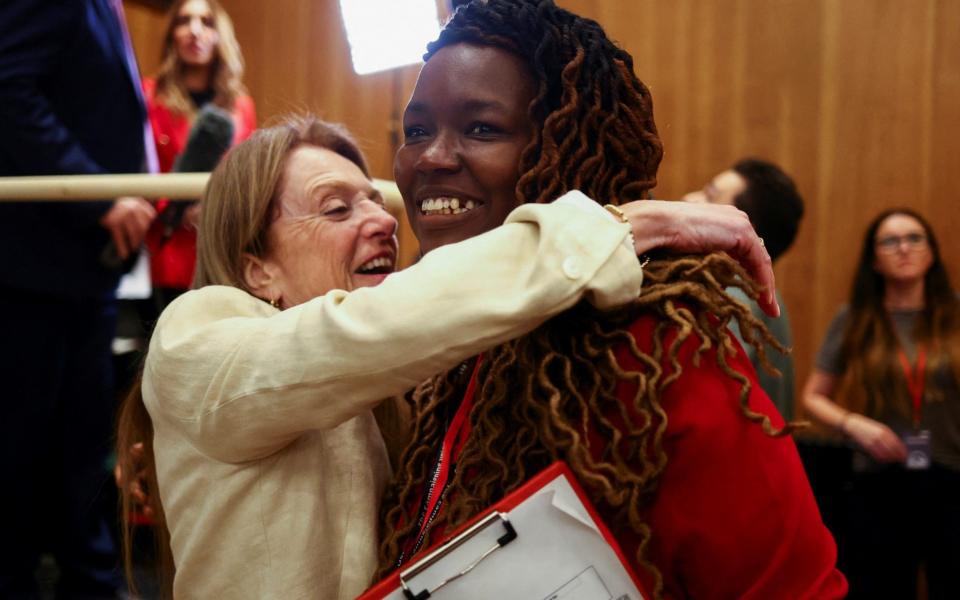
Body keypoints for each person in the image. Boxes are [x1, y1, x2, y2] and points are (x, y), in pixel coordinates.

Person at [116, 112, 776, 598]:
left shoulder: (396, 392)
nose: (380, 221)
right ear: (258, 271)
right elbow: (367, 330)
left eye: (377, 201)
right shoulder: (195, 330)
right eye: (337, 209)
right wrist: (616, 228)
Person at [375, 2, 845, 599]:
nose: (431, 157)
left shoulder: (654, 347)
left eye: (481, 128)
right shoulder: (444, 350)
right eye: (416, 130)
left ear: (563, 151)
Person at [0, 0, 157, 596]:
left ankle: (90, 579)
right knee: (17, 447)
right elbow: (9, 89)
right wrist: (99, 198)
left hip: (80, 270)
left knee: (79, 441)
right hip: (32, 267)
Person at [802, 208, 960, 599]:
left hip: (953, 479)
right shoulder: (856, 318)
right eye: (890, 241)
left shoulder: (956, 314)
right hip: (879, 480)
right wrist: (853, 423)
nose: (903, 248)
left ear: (932, 252)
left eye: (914, 238)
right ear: (874, 259)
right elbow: (813, 397)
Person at [144, 0, 256, 308]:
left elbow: (246, 173)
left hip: (223, 250)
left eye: (206, 22)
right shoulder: (149, 97)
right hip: (166, 251)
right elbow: (139, 166)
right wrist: (176, 209)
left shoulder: (240, 105)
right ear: (171, 36)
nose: (195, 31)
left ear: (220, 35)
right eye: (184, 21)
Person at [684, 158, 804, 419]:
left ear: (742, 229)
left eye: (709, 196)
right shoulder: (754, 291)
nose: (688, 199)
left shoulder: (732, 296)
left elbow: (705, 394)